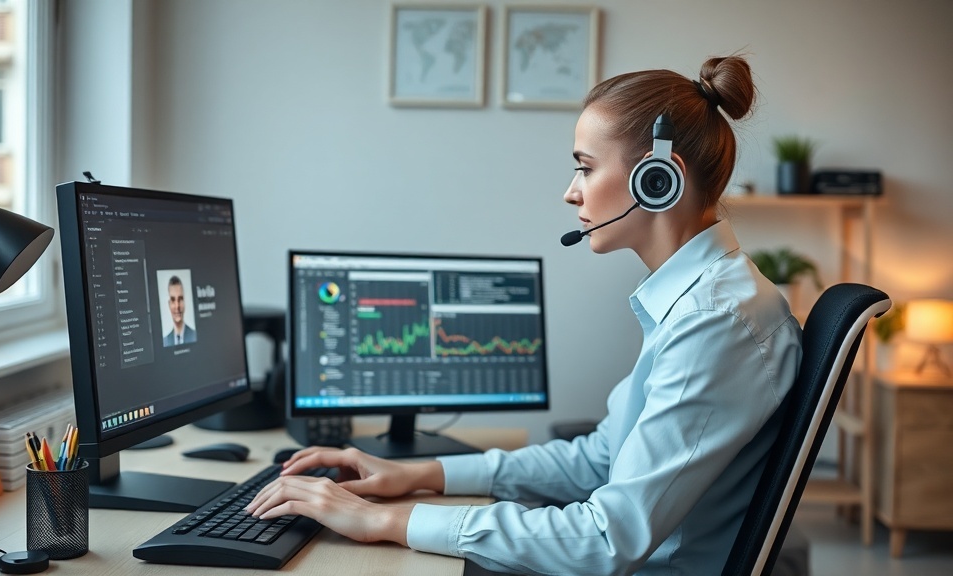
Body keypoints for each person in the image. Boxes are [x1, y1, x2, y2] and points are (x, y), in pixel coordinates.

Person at [246, 54, 802, 575]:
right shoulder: (702, 301)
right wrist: (419, 475)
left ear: (657, 180)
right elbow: (599, 459)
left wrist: (386, 520)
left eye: (585, 168)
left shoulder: (716, 321)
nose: (570, 192)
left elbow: (607, 539)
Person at [163, 275, 196, 346]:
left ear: (184, 302)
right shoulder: (165, 342)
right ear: (169, 304)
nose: (177, 306)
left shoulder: (195, 336)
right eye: (173, 300)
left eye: (180, 299)